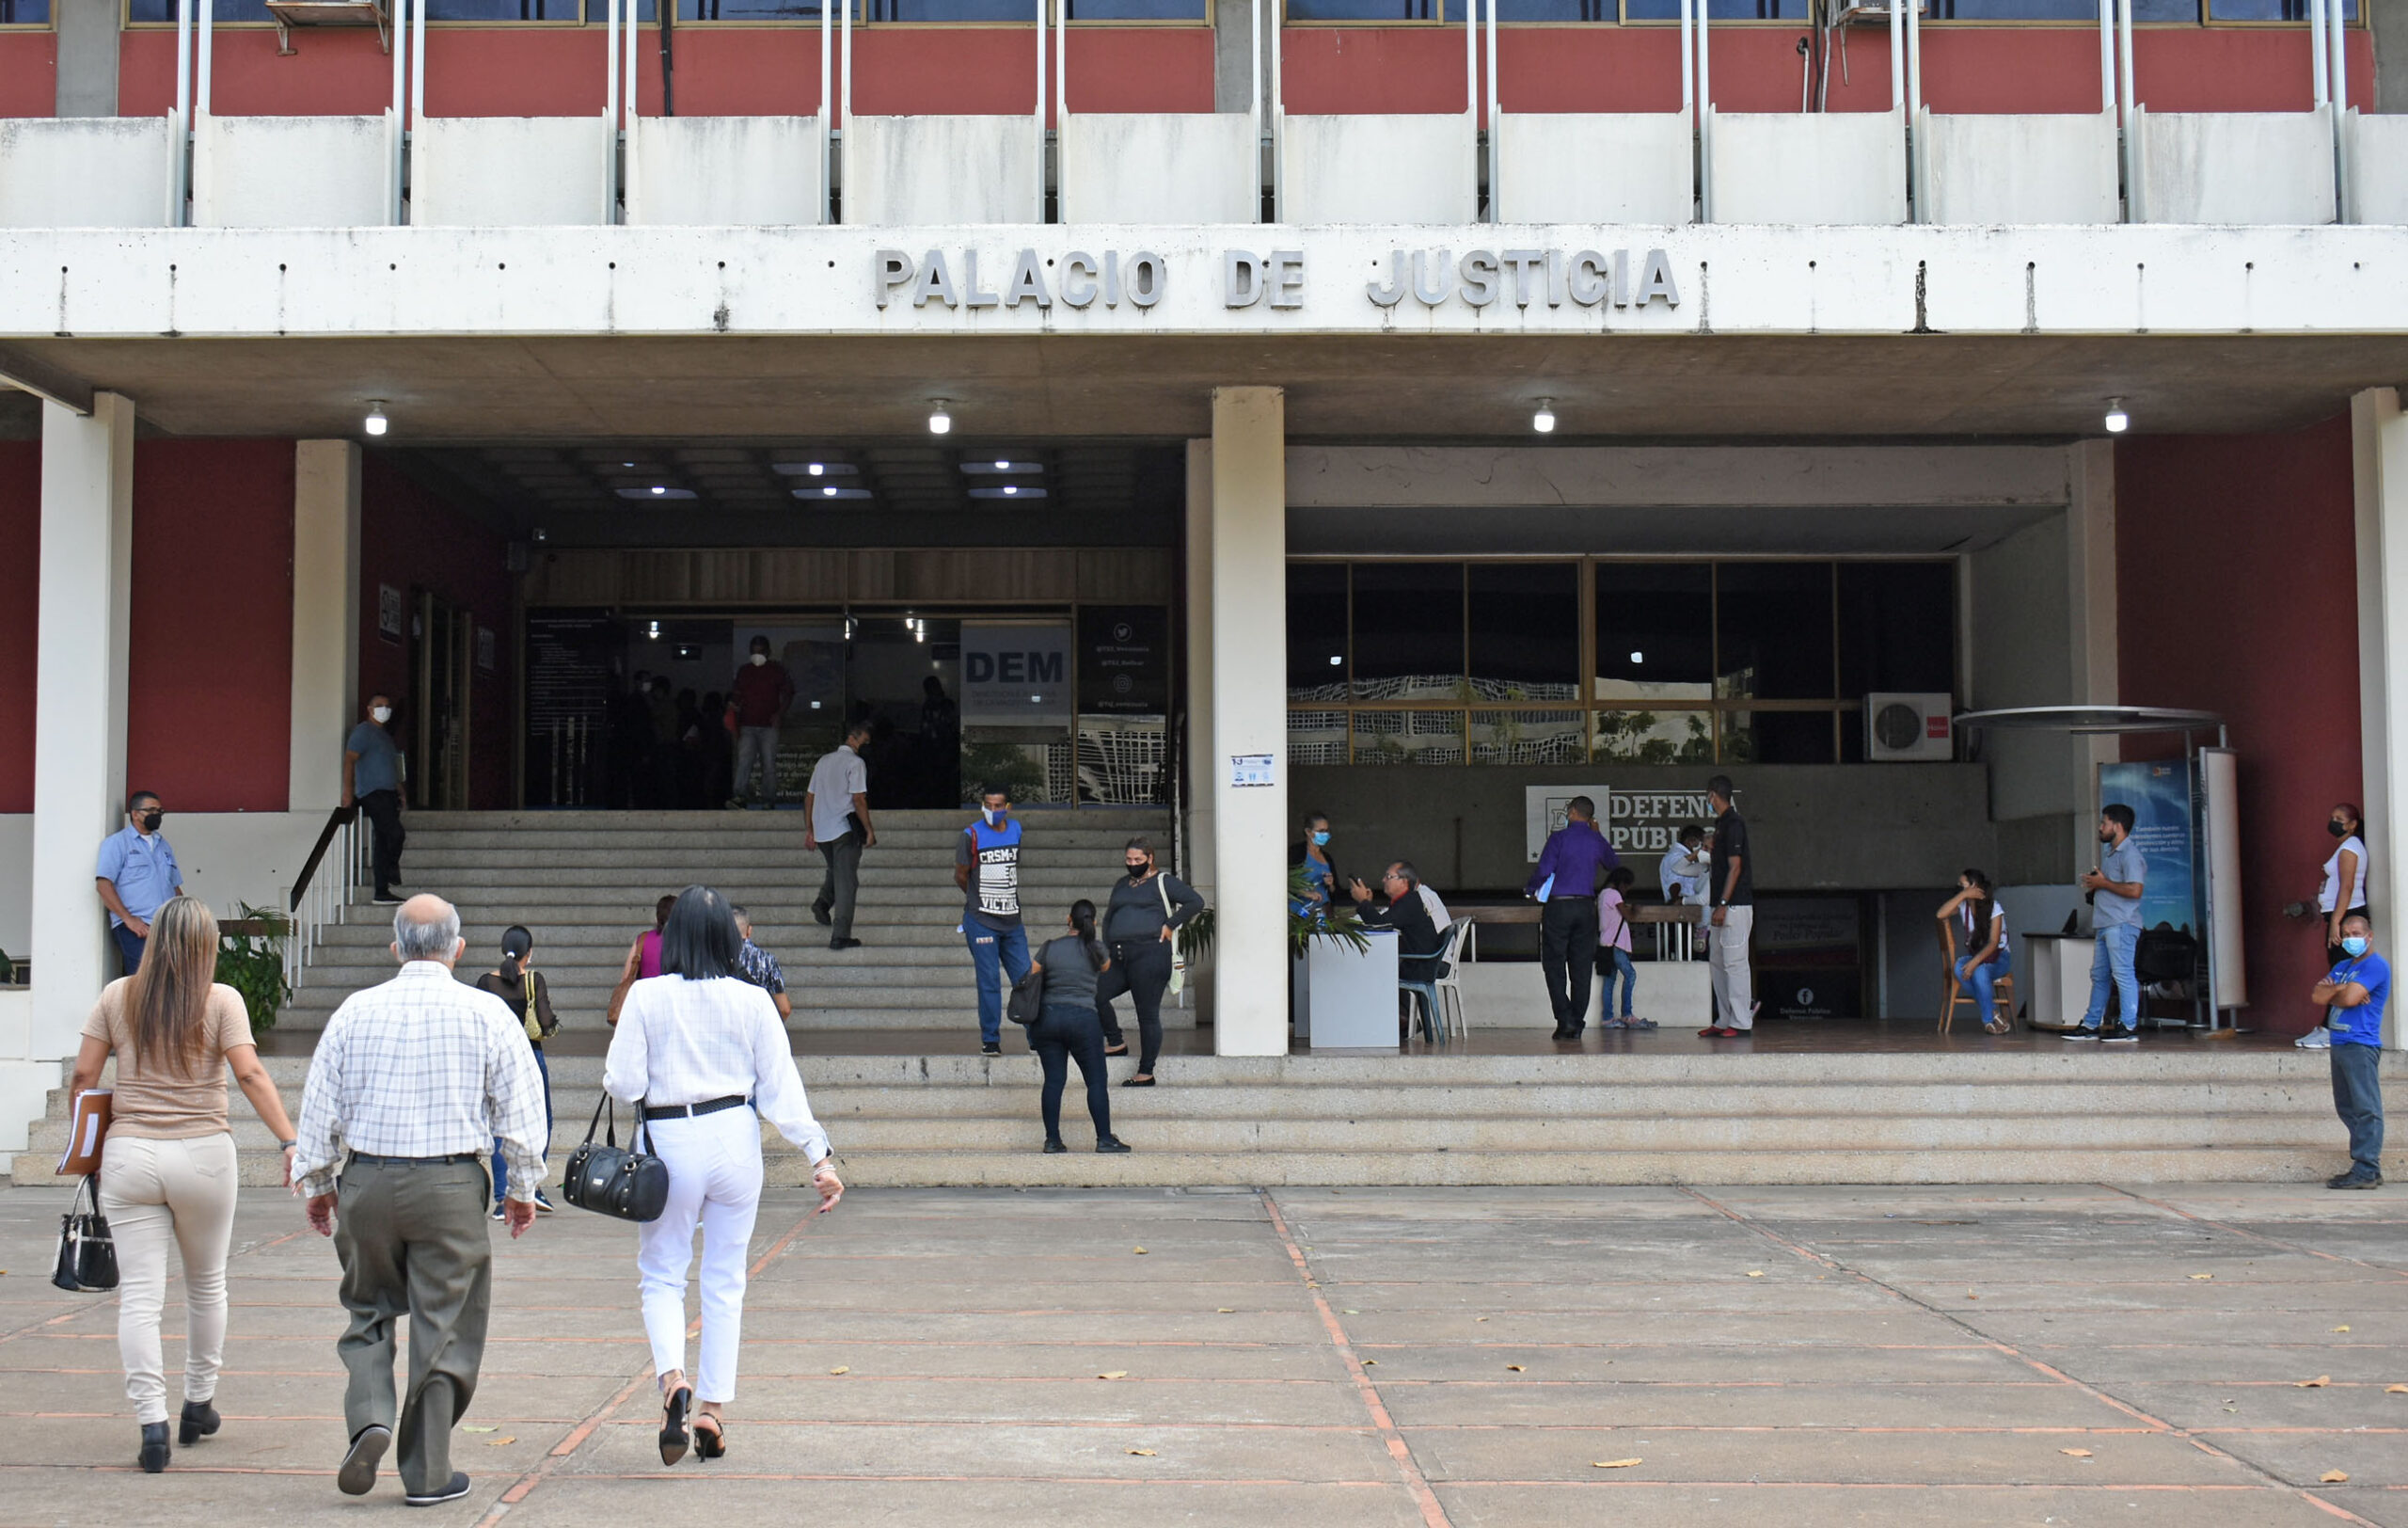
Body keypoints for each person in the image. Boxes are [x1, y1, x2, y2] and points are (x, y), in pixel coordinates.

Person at [292, 895, 548, 1507]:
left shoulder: (355, 1011)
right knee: (447, 1324)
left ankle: (371, 1416)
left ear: (395, 948)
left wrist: (319, 1185)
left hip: (368, 1181)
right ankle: (428, 1473)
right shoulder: (487, 1013)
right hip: (451, 1186)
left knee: (367, 1309)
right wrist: (522, 1188)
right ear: (457, 949)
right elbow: (522, 1110)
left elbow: (318, 1108)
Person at [605, 885, 845, 1464]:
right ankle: (712, 1410)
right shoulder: (753, 999)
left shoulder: (646, 996)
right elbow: (781, 1089)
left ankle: (671, 1381)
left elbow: (623, 1084)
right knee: (725, 1279)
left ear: (674, 937)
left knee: (663, 1274)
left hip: (669, 1141)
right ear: (729, 938)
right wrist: (819, 1155)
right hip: (736, 1135)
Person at [67, 896, 299, 1473]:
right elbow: (248, 1072)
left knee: (141, 1297)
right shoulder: (221, 1000)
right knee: (206, 1285)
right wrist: (290, 1141)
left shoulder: (117, 995)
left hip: (130, 1155)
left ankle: (151, 1425)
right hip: (203, 1157)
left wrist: (86, 1148)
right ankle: (197, 1406)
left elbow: (83, 1076)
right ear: (205, 945)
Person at [1095, 836, 1205, 1086]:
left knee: (1146, 1014)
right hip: (1120, 955)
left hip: (1151, 955)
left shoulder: (1163, 881)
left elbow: (1195, 902)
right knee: (1094, 993)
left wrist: (1170, 924)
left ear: (1150, 858)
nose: (1132, 864)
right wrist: (1108, 946)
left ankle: (1146, 1071)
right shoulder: (1122, 884)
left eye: (1138, 860)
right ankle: (1116, 1042)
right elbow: (1110, 915)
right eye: (1129, 859)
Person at [1027, 900, 1130, 1154]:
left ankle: (1052, 1140)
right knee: (1096, 1081)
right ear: (1093, 922)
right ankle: (1104, 1139)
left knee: (1053, 1080)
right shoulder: (1096, 949)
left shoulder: (1050, 947)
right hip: (1083, 1020)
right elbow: (1105, 968)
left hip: (1048, 1019)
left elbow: (1031, 974)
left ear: (1068, 919)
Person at [473, 927, 558, 1218]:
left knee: (499, 1126)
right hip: (530, 1056)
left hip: (495, 1059)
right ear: (529, 952)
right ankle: (530, 1189)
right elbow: (545, 1022)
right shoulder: (534, 980)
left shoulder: (485, 982)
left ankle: (502, 1198)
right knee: (541, 1120)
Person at [1527, 796, 1618, 1040]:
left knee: (1554, 964)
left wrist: (1529, 889)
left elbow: (1544, 870)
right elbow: (1612, 863)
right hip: (1586, 907)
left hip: (1559, 906)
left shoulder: (1559, 838)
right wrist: (1598, 835)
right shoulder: (1594, 839)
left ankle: (1565, 1018)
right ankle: (1577, 1021)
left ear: (1573, 812)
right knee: (1581, 967)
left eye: (1569, 810)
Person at [2310, 912, 2387, 1189]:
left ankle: (2367, 1168)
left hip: (2360, 1044)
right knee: (2347, 1107)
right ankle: (2365, 1166)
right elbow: (2317, 995)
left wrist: (2338, 992)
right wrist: (2341, 988)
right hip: (2339, 1044)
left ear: (2369, 936)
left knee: (2366, 1107)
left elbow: (2352, 999)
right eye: (2347, 934)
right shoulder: (2343, 966)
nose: (2352, 939)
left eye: (2357, 933)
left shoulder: (2376, 967)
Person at [958, 783, 1030, 1058]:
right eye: (988, 805)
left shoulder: (1016, 830)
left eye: (999, 805)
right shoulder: (971, 834)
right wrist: (978, 901)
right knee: (989, 982)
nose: (993, 810)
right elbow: (961, 875)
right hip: (982, 920)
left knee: (1026, 980)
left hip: (1012, 921)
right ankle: (990, 1040)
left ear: (1008, 807)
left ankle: (1036, 1038)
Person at [2067, 804, 2147, 1043]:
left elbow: (2135, 890)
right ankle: (2092, 1023)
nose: (2100, 828)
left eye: (2104, 823)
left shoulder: (2131, 855)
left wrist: (2103, 884)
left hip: (2121, 924)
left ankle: (2128, 1025)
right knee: (2100, 975)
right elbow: (2114, 886)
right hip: (2105, 923)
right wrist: (2096, 887)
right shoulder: (2112, 854)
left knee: (2122, 974)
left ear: (2118, 826)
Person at [2302, 804, 2372, 1051]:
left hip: (2346, 917)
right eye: (2332, 818)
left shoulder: (2350, 849)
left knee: (2341, 973)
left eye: (2339, 819)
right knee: (2340, 971)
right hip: (2343, 916)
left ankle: (2332, 1030)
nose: (2333, 822)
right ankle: (2330, 1027)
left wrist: (2336, 923)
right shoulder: (2346, 847)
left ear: (2352, 824)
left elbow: (2347, 887)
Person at [95, 790, 183, 975]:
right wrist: (129, 920)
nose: (157, 815)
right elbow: (103, 886)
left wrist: (183, 920)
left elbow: (174, 888)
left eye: (160, 811)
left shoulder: (163, 846)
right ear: (135, 814)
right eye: (151, 810)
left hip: (164, 929)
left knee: (168, 983)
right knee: (143, 983)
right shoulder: (117, 843)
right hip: (136, 929)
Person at [805, 722, 875, 950]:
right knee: (847, 882)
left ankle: (823, 902)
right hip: (844, 828)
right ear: (855, 738)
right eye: (864, 741)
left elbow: (810, 797)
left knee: (836, 871)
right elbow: (858, 799)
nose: (864, 745)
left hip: (823, 830)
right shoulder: (855, 763)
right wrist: (869, 830)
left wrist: (810, 830)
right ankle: (840, 935)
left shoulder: (824, 761)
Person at [1702, 775, 1756, 1039]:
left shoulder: (1734, 823)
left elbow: (1736, 868)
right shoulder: (1722, 825)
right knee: (1718, 962)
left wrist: (1723, 903)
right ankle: (1724, 1019)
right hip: (1720, 905)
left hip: (1735, 905)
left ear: (1713, 795)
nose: (1707, 801)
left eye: (1708, 797)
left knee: (1735, 963)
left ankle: (1741, 1022)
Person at [344, 695, 407, 905]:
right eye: (379, 706)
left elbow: (390, 766)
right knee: (395, 833)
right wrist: (347, 791)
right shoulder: (363, 732)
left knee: (383, 840)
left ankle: (382, 890)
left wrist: (400, 790)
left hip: (388, 793)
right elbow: (350, 759)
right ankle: (390, 870)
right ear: (369, 709)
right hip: (371, 793)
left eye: (388, 706)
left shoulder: (385, 737)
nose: (384, 710)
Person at [1939, 869, 2013, 1035]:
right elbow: (1941, 914)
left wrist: (1973, 963)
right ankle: (1993, 1012)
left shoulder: (1994, 907)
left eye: (1962, 885)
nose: (1959, 887)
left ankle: (1988, 1021)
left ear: (1974, 886)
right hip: (1979, 958)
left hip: (1999, 958)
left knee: (1978, 971)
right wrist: (1963, 895)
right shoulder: (1963, 906)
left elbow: (1994, 943)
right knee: (1959, 967)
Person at [727, 636, 795, 809]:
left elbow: (789, 693)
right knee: (744, 762)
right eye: (754, 651)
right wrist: (734, 705)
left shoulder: (777, 670)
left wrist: (779, 714)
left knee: (768, 764)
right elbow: (737, 694)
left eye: (760, 651)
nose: (757, 655)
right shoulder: (744, 671)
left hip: (768, 726)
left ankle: (769, 799)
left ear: (768, 652)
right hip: (748, 724)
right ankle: (740, 796)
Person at [1349, 862, 1445, 984]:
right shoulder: (1407, 901)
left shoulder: (1408, 902)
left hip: (1422, 965)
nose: (1383, 880)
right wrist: (1366, 903)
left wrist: (1363, 901)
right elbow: (1382, 922)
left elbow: (1379, 925)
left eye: (1388, 877)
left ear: (1404, 882)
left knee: (1375, 971)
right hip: (1419, 962)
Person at [608, 894, 679, 1025]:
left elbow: (626, 977)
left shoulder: (642, 939)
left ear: (656, 917)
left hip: (646, 1009)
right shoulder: (686, 942)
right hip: (676, 1010)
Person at [1597, 867, 1653, 1029]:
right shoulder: (1614, 895)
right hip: (1616, 945)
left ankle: (1608, 1019)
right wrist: (1635, 909)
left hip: (1606, 943)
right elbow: (1628, 916)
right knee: (1630, 975)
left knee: (1609, 981)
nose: (1628, 889)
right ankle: (1627, 1014)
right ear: (1622, 883)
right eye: (1627, 885)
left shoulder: (1602, 894)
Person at [731, 903, 793, 1020]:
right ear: (749, 930)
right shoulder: (767, 959)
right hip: (757, 1029)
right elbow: (784, 1009)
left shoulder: (711, 959)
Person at [1293, 813, 1339, 918]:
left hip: (1322, 914)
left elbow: (1335, 890)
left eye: (1327, 830)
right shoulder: (1296, 853)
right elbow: (1286, 883)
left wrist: (1330, 884)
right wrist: (1306, 893)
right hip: (1299, 914)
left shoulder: (1327, 857)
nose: (1325, 834)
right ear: (1308, 832)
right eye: (1321, 831)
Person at [1660, 825, 1710, 904]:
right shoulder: (1677, 856)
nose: (1703, 849)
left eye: (1706, 847)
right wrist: (1677, 902)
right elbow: (1675, 883)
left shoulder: (1704, 865)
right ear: (1690, 841)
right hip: (1683, 908)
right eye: (1702, 845)